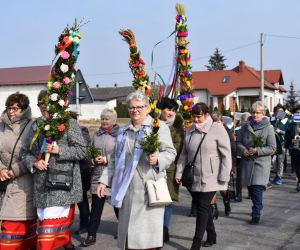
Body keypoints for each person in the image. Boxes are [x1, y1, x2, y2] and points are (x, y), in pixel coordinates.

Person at [97, 90, 176, 250]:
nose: (135, 110)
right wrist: (103, 180)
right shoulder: (123, 131)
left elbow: (170, 152)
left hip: (148, 190)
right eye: (132, 107)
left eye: (140, 107)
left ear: (147, 108)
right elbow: (114, 158)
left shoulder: (157, 127)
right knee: (129, 241)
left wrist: (158, 159)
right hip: (127, 191)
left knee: (146, 242)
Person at [22, 90, 87, 250]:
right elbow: (25, 152)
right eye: (40, 105)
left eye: (47, 105)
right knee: (45, 229)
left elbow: (81, 151)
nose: (44, 108)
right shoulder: (36, 125)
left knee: (47, 235)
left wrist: (59, 151)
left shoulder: (69, 123)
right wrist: (34, 163)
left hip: (62, 185)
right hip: (41, 185)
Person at [176, 103, 232, 250]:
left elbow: (226, 155)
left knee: (202, 207)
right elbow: (184, 154)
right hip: (193, 177)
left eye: (198, 117)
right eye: (193, 116)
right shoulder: (189, 130)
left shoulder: (217, 128)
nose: (195, 119)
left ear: (206, 115)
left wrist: (224, 177)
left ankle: (196, 242)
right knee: (204, 207)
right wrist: (179, 172)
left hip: (212, 176)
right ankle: (212, 234)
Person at [0, 93, 36, 249]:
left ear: (24, 109)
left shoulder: (32, 126)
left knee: (15, 224)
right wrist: (1, 169)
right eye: (9, 107)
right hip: (3, 183)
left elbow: (35, 154)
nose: (11, 111)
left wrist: (15, 170)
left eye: (16, 108)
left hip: (24, 183)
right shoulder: (0, 125)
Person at [83, 108, 120, 247]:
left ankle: (123, 231)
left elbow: (122, 154)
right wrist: (94, 160)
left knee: (117, 206)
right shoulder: (97, 135)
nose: (104, 121)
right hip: (98, 175)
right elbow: (89, 152)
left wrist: (107, 159)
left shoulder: (119, 135)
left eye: (107, 119)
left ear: (114, 121)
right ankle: (91, 235)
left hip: (114, 175)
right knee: (96, 208)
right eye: (102, 118)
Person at [237, 101, 276, 225]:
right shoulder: (245, 126)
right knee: (250, 188)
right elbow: (238, 142)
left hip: (261, 163)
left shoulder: (268, 127)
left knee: (256, 188)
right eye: (253, 112)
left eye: (258, 113)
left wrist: (257, 150)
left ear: (263, 113)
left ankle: (256, 214)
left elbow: (272, 148)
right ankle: (257, 206)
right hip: (247, 161)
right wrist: (243, 150)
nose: (255, 115)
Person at [157, 97, 184, 243]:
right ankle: (154, 229)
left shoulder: (177, 129)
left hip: (169, 170)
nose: (171, 113)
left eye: (173, 110)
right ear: (160, 110)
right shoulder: (152, 124)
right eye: (168, 109)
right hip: (152, 169)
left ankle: (164, 230)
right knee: (154, 200)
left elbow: (176, 149)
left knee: (166, 202)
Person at [69, 112, 92, 236]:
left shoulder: (83, 131)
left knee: (81, 198)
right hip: (70, 171)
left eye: (71, 121)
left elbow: (83, 148)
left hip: (83, 170)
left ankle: (85, 224)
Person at [270, 104, 289, 185]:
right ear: (275, 112)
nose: (279, 112)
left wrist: (280, 131)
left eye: (281, 111)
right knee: (272, 161)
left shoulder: (286, 121)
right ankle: (271, 176)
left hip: (282, 144)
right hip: (272, 143)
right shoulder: (272, 120)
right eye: (278, 111)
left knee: (280, 162)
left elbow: (289, 133)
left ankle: (278, 177)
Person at [235, 112, 251, 202]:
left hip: (248, 155)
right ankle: (239, 194)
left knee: (249, 175)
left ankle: (250, 193)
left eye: (246, 120)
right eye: (243, 120)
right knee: (239, 177)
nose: (244, 122)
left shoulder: (251, 129)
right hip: (239, 155)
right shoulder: (237, 129)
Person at [285, 105, 300, 191]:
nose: (298, 114)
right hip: (294, 149)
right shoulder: (290, 125)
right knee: (297, 167)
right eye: (297, 113)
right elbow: (287, 136)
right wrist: (290, 141)